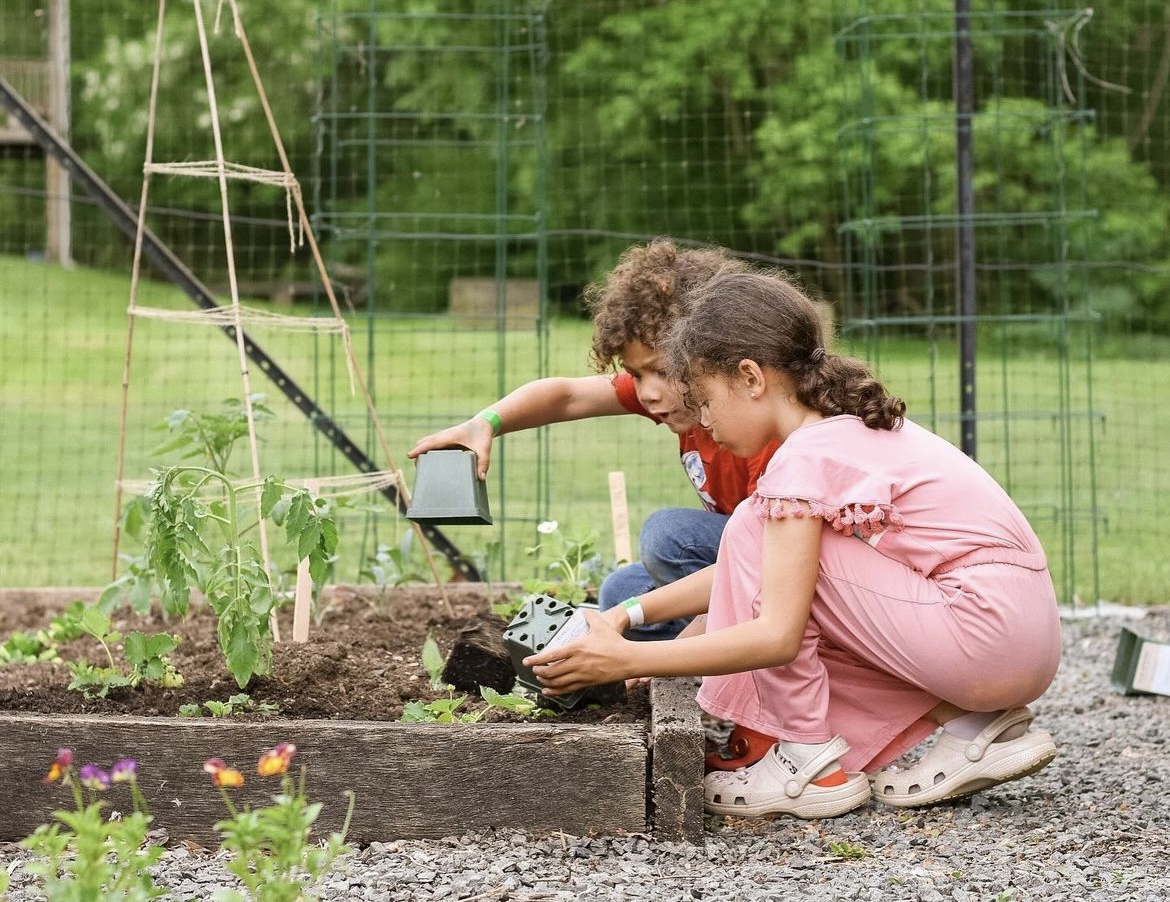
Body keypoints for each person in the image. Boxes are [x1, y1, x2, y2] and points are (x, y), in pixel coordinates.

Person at [524, 268, 1062, 820]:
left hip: (984, 638)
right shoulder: (845, 426)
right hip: (1021, 642)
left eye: (705, 399)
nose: (703, 422)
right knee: (760, 540)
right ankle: (969, 721)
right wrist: (629, 614)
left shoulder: (801, 460)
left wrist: (629, 659)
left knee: (752, 530)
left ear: (751, 378)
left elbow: (776, 635)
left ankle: (804, 761)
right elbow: (756, 569)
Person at [408, 239, 779, 648]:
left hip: (779, 571)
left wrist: (673, 654)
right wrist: (485, 423)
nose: (648, 393)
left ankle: (711, 651)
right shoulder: (682, 400)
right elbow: (567, 396)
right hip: (739, 561)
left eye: (659, 370)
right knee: (622, 589)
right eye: (636, 375)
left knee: (668, 536)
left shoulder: (763, 433)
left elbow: (770, 559)